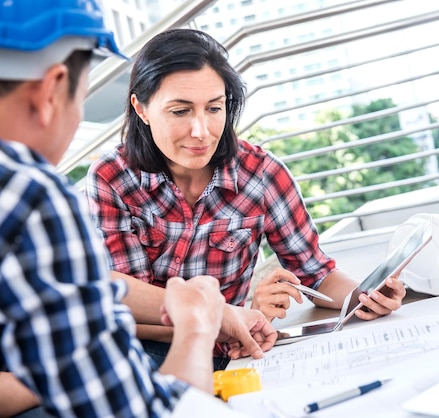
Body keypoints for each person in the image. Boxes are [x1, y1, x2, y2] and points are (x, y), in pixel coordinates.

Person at [0, 1, 274, 417]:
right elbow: (140, 411)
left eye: (214, 108)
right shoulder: (27, 192)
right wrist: (198, 326)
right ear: (51, 90)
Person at [85, 28, 407, 368]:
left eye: (213, 108)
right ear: (142, 108)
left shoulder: (263, 175)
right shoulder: (111, 177)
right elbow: (127, 305)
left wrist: (367, 296)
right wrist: (228, 319)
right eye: (180, 111)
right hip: (137, 354)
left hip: (232, 353)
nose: (201, 131)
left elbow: (316, 273)